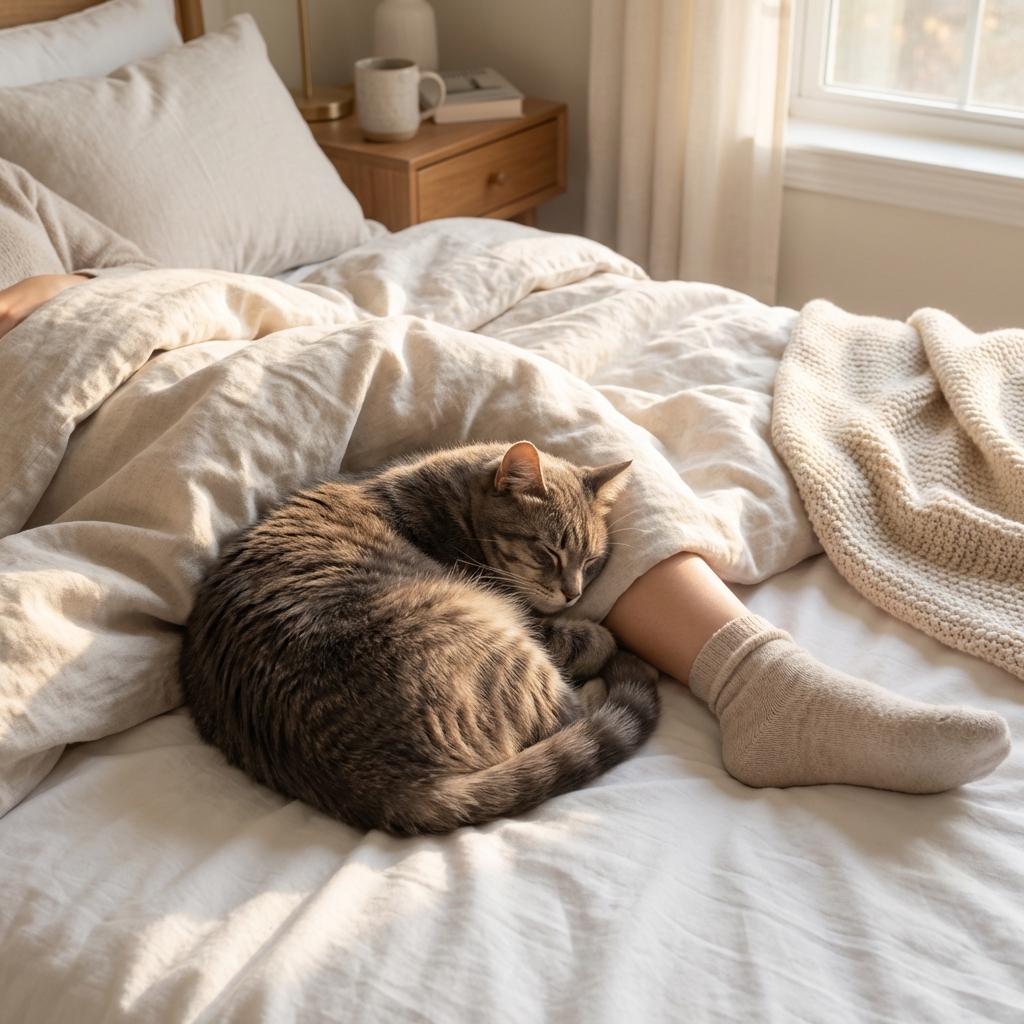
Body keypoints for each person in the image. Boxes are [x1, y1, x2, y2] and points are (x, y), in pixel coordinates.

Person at [0, 159, 1010, 797]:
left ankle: (750, 668)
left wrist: (105, 290)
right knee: (479, 385)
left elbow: (147, 273)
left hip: (221, 324)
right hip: (89, 391)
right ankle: (757, 680)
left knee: (505, 389)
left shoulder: (22, 185)